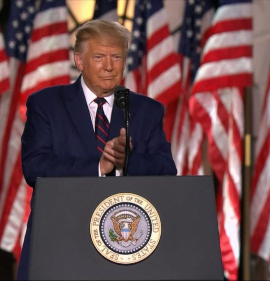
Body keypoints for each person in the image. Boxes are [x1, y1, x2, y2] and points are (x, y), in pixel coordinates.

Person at [17, 19, 177, 279]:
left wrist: (126, 162)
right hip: (60, 244)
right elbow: (35, 167)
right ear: (79, 61)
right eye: (99, 56)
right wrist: (99, 166)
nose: (110, 66)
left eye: (116, 56)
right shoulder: (46, 104)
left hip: (126, 251)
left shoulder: (147, 110)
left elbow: (166, 169)